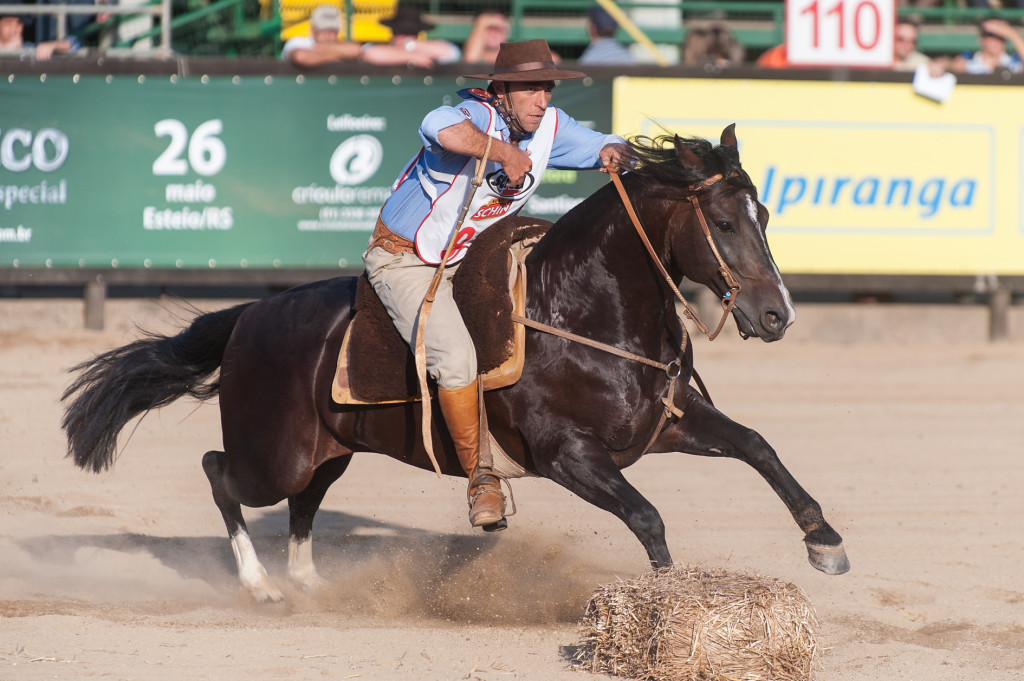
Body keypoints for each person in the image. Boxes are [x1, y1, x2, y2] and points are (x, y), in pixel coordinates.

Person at [362, 39, 631, 530]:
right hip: (408, 261)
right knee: (456, 358)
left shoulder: (549, 125)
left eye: (546, 87)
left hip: (472, 258)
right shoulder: (477, 115)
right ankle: (481, 477)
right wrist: (504, 151)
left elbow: (603, 145)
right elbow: (434, 125)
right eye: (530, 89)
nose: (541, 99)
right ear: (502, 90)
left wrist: (614, 151)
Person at [360, 4, 461, 67]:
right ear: (393, 32)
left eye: (411, 33)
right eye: (402, 32)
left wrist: (410, 44)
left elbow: (452, 53)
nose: (406, 37)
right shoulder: (379, 48)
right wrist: (411, 56)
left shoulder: (424, 49)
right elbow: (368, 52)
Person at [281, 4, 361, 67]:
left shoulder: (340, 44)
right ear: (313, 30)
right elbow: (301, 57)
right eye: (323, 29)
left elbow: (355, 50)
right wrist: (337, 57)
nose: (328, 34)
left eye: (332, 30)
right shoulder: (299, 42)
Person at [947, 16, 1024, 74]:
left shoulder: (1014, 62)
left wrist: (1013, 34)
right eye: (990, 35)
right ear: (981, 38)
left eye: (1000, 35)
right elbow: (948, 65)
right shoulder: (968, 62)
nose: (995, 40)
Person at [0, 14, 76, 60]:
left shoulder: (28, 49)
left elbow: (75, 43)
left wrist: (53, 45)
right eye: (8, 23)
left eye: (18, 24)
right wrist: (7, 50)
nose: (14, 29)